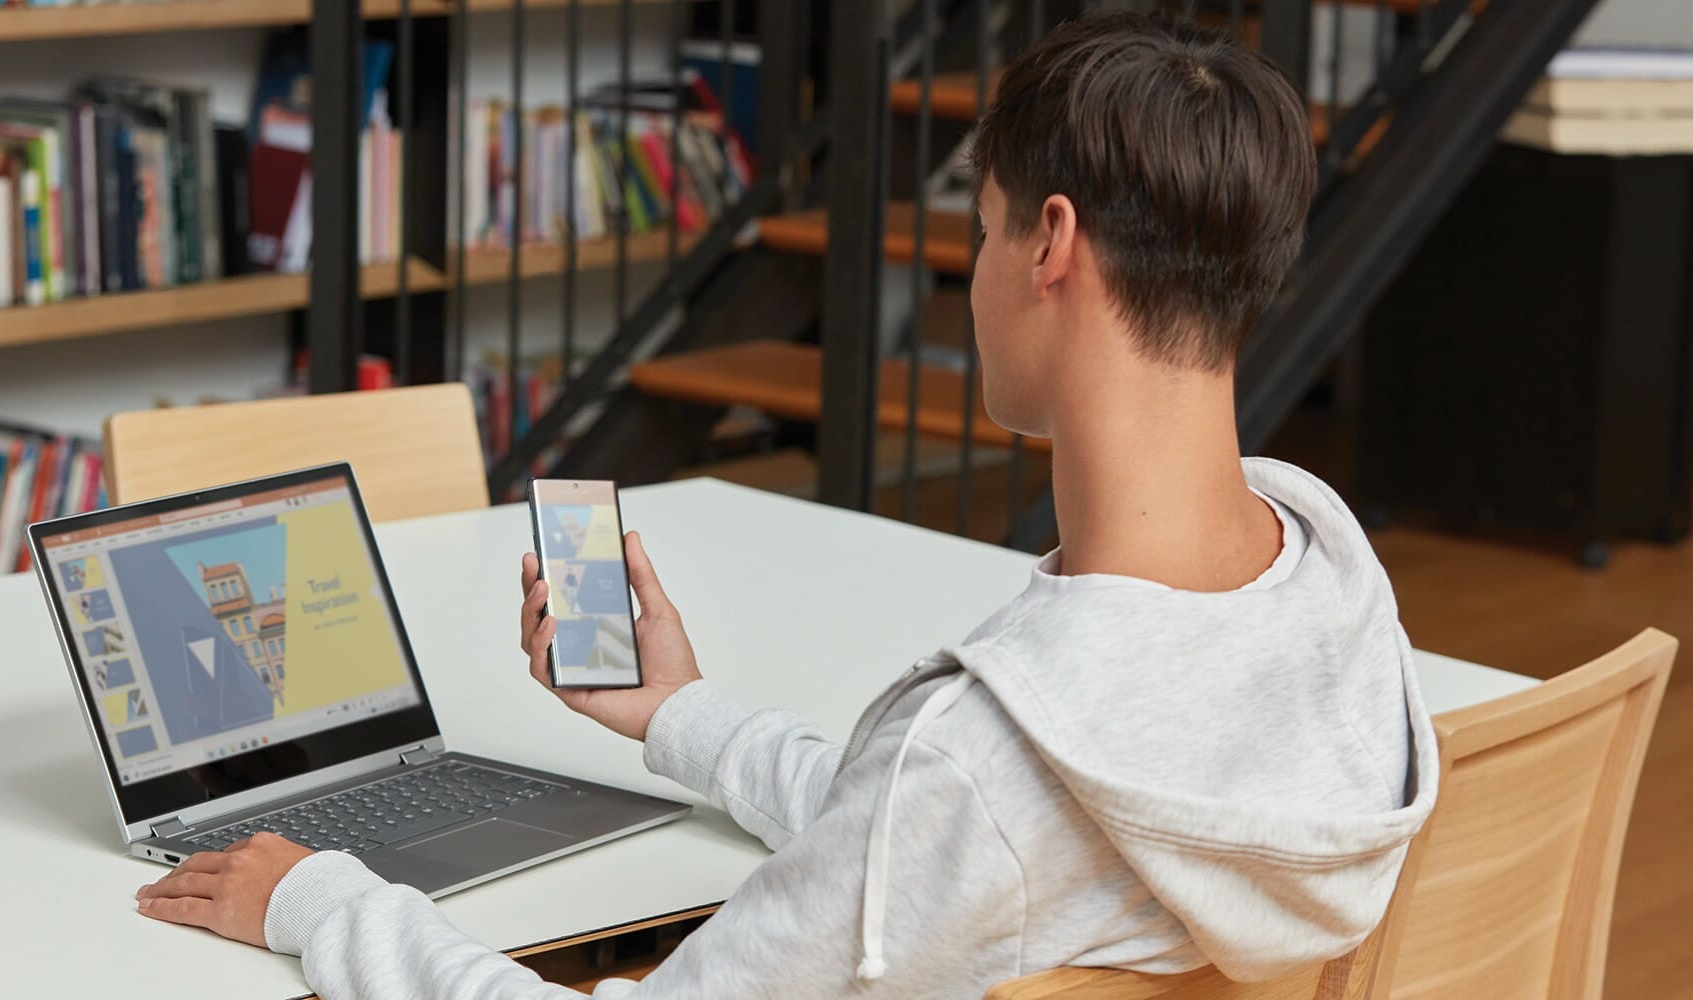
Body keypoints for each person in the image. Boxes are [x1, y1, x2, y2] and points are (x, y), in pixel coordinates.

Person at [131, 12, 1438, 998]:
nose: (975, 274)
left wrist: (319, 900)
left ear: (1050, 245)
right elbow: (932, 849)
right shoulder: (1320, 583)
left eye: (978, 229)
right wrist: (682, 717)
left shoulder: (981, 759)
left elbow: (950, 816)